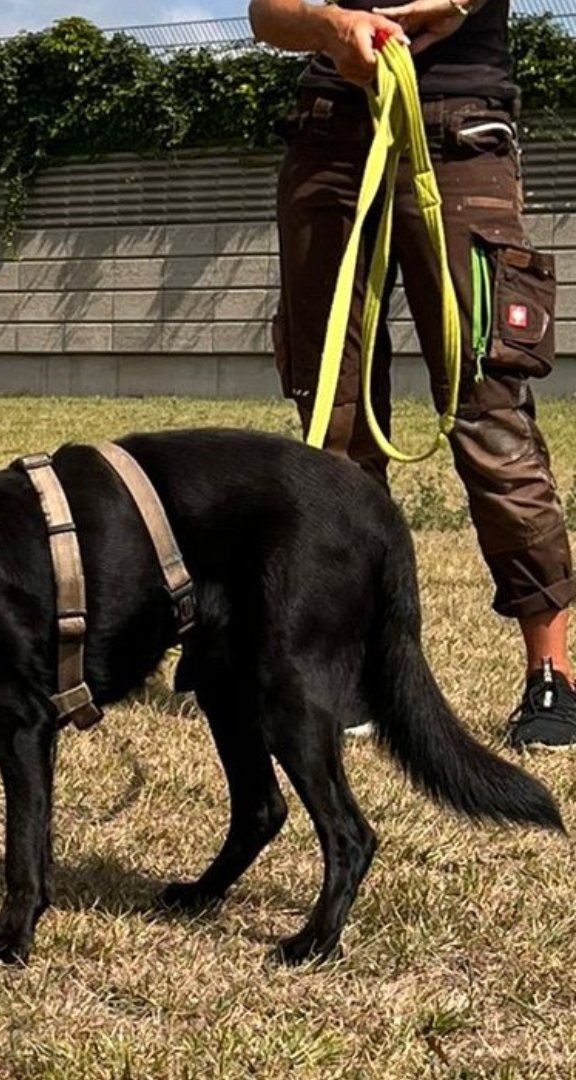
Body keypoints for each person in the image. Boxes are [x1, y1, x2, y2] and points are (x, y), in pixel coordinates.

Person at [249, 0, 575, 749]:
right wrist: (328, 28)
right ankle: (357, 668)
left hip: (461, 132)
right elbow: (266, 11)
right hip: (329, 132)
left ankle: (552, 675)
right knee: (333, 420)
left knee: (489, 409)